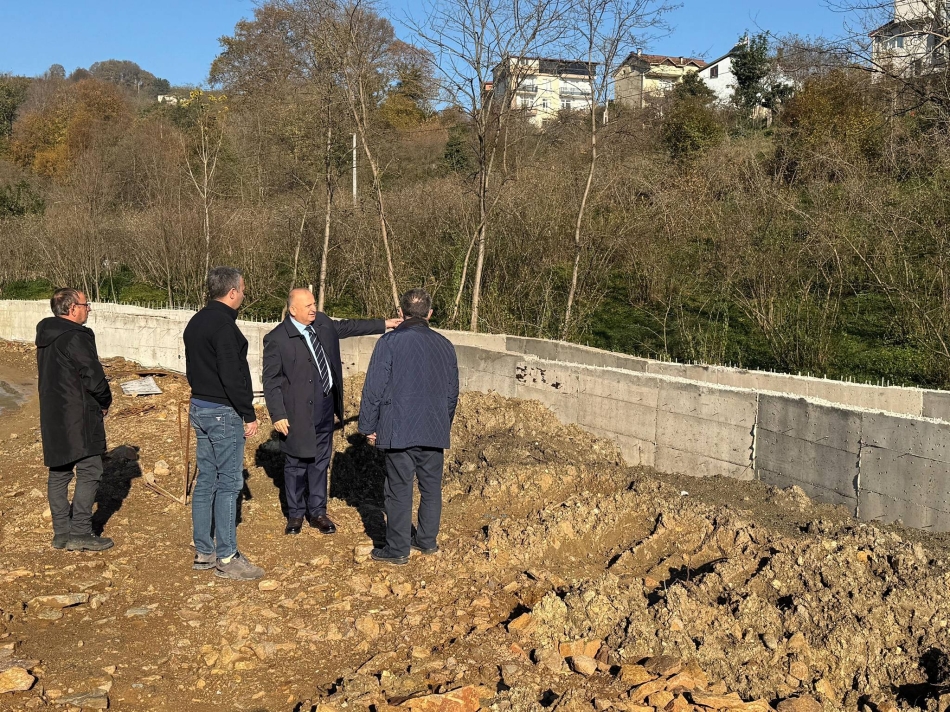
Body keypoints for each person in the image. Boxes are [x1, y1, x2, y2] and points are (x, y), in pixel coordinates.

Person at [262, 288, 400, 535]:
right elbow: (271, 381)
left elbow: (349, 326)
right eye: (308, 306)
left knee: (320, 462)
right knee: (296, 464)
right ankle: (295, 515)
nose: (313, 309)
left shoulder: (322, 323)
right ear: (293, 310)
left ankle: (318, 512)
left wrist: (385, 324)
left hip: (325, 407)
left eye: (314, 304)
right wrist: (278, 414)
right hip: (296, 413)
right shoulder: (277, 339)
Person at [358, 288, 459, 565]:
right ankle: (426, 541)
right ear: (430, 314)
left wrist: (367, 426)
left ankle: (397, 549)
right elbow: (452, 393)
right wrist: (443, 422)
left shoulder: (390, 342)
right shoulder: (445, 346)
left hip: (399, 428)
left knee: (398, 489)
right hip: (434, 429)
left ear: (401, 313)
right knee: (431, 488)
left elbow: (374, 387)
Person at [183, 266, 264, 580]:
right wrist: (248, 412)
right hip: (222, 411)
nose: (244, 294)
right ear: (232, 292)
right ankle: (227, 557)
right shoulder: (224, 326)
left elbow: (194, 369)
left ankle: (204, 551)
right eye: (242, 289)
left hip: (200, 406)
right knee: (229, 484)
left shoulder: (197, 321)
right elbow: (232, 375)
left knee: (206, 479)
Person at [36, 288, 115, 552]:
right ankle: (80, 531)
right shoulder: (75, 336)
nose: (88, 308)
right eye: (85, 304)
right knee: (90, 469)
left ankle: (61, 533)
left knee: (59, 471)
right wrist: (104, 400)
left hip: (52, 414)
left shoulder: (46, 336)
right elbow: (93, 375)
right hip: (79, 414)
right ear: (72, 309)